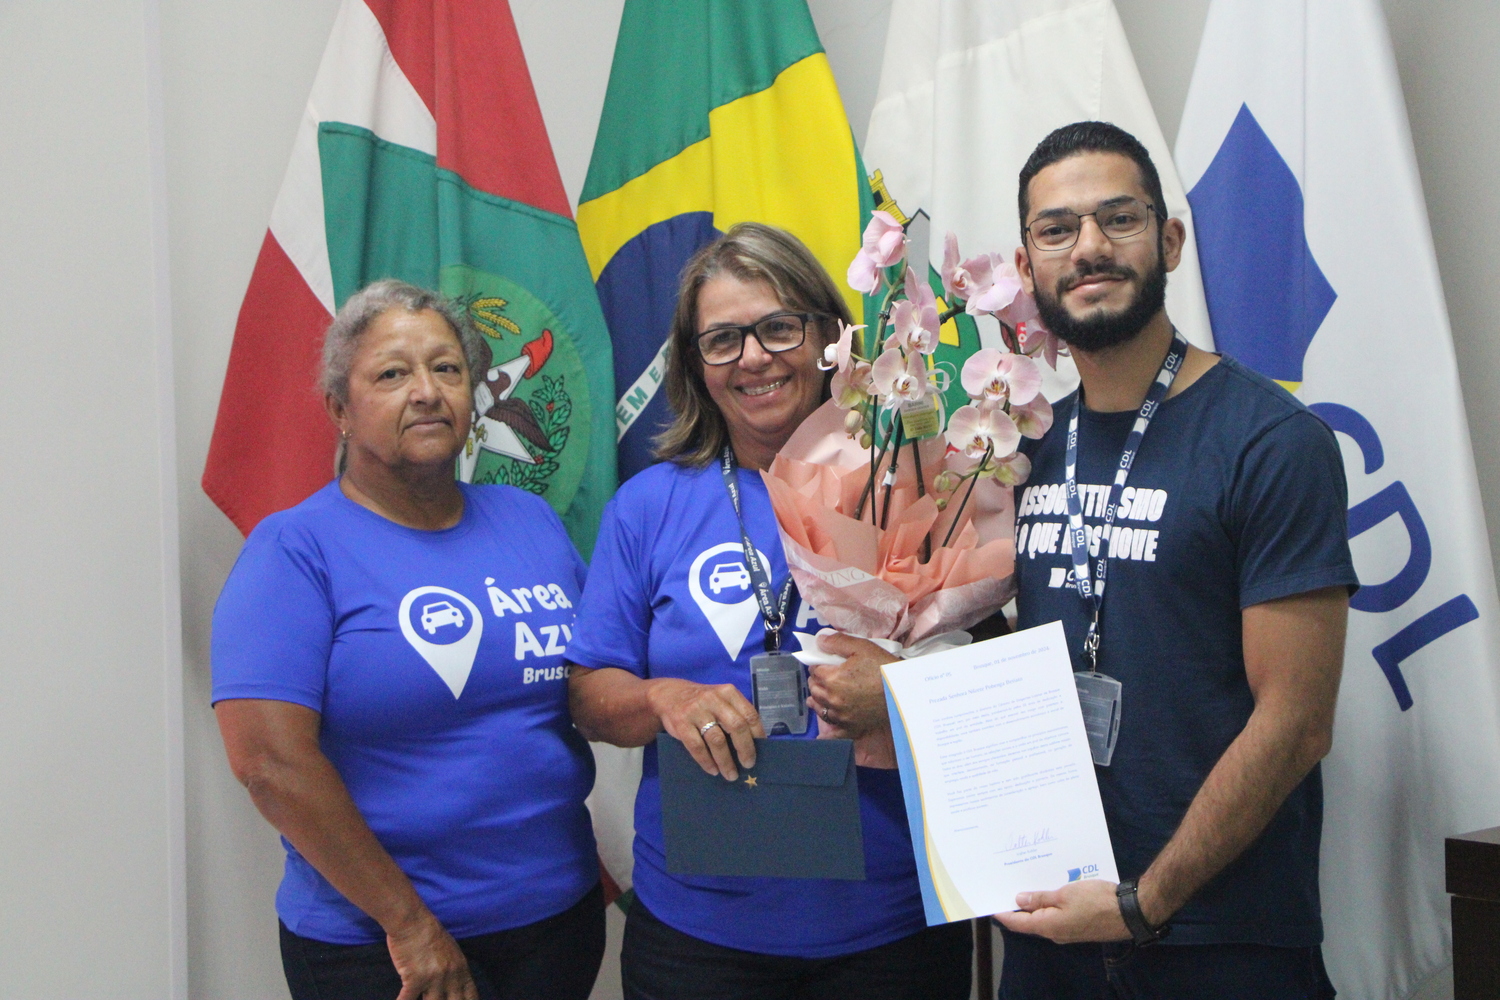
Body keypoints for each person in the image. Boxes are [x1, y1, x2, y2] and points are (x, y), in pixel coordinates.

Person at [993, 121, 1356, 999]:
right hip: (1050, 929)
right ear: (1026, 263)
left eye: (1119, 219)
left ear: (1170, 240)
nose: (1088, 249)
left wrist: (1142, 903)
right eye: (1057, 230)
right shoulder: (1015, 448)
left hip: (1218, 938)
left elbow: (1298, 721)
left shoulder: (1271, 442)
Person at [566, 223, 973, 1000]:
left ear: (830, 337)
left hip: (891, 929)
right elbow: (589, 698)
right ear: (693, 364)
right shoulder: (646, 506)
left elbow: (994, 676)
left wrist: (902, 687)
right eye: (721, 339)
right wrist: (663, 697)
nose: (753, 357)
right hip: (697, 936)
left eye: (779, 327)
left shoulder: (924, 487)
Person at [212, 280, 604, 1000]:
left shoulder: (530, 522)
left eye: (447, 368)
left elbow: (582, 686)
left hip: (554, 920)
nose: (426, 391)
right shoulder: (295, 551)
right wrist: (411, 925)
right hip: (385, 946)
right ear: (339, 409)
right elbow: (268, 762)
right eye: (393, 373)